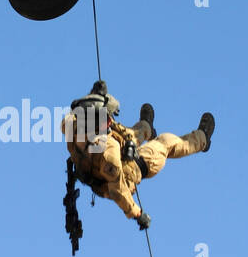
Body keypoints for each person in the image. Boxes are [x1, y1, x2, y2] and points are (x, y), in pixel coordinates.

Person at [61, 80, 214, 230]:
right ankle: (202, 139)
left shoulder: (73, 127)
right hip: (133, 168)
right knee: (165, 142)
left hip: (109, 156)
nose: (111, 120)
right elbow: (118, 190)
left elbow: (84, 112)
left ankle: (146, 127)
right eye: (110, 117)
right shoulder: (108, 151)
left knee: (131, 134)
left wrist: (96, 95)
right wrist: (137, 213)